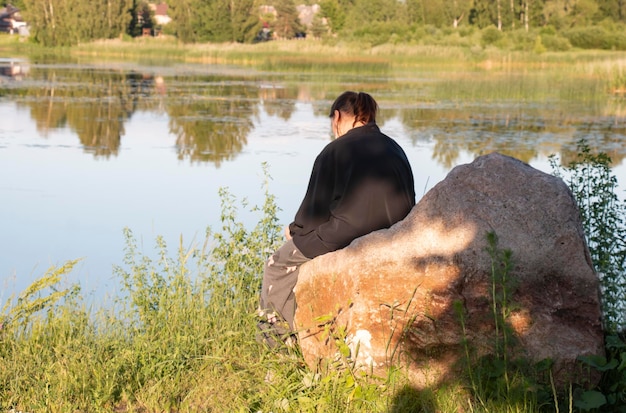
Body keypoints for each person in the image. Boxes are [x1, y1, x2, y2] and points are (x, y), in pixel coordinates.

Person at [257, 91, 416, 348]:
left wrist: (294, 232)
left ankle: (276, 348)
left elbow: (312, 213)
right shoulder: (395, 149)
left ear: (338, 117)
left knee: (276, 266)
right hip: (394, 235)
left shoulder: (334, 151)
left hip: (345, 236)